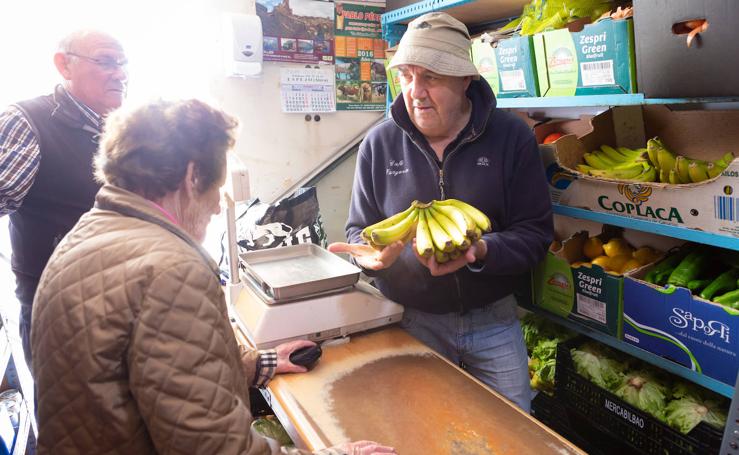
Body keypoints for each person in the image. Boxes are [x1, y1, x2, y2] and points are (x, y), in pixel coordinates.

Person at [31, 99, 396, 455]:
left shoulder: (84, 235)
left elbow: (154, 366)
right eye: (217, 186)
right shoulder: (172, 271)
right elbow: (213, 446)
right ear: (193, 176)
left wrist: (256, 363)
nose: (219, 205)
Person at [328, 12, 553, 413]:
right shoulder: (379, 144)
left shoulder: (512, 137)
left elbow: (535, 234)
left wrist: (481, 251)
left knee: (515, 430)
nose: (415, 91)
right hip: (412, 320)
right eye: (407, 76)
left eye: (430, 76)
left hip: (495, 322)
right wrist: (375, 260)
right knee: (424, 430)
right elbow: (360, 229)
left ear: (466, 80)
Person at [0, 29, 128, 367]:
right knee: (71, 417)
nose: (120, 73)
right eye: (105, 62)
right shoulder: (28, 122)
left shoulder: (116, 128)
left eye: (123, 64)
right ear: (64, 65)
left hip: (117, 300)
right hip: (62, 311)